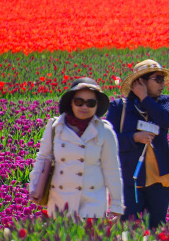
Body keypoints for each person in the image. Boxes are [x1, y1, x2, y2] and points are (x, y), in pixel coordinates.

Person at [30, 78, 124, 219]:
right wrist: (34, 188)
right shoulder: (55, 127)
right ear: (71, 103)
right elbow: (43, 158)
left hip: (92, 204)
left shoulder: (105, 131)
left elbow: (112, 170)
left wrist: (117, 204)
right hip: (60, 202)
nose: (84, 107)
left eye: (90, 103)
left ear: (97, 106)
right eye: (79, 102)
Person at [107, 59, 169, 228]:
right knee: (130, 228)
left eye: (163, 79)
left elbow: (166, 121)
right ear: (141, 81)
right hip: (130, 178)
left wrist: (145, 98)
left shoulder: (164, 103)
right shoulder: (120, 107)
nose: (163, 84)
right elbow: (110, 140)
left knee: (157, 227)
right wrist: (134, 137)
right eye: (158, 79)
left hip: (159, 177)